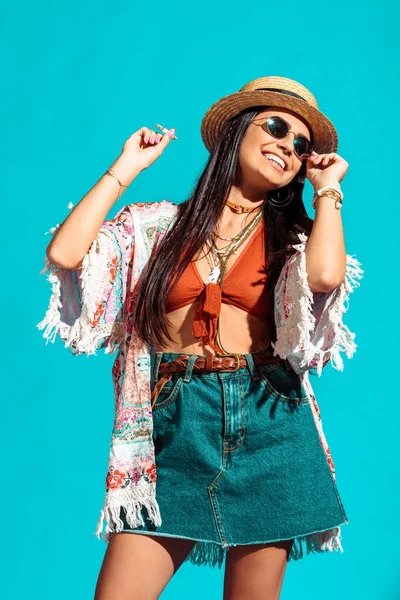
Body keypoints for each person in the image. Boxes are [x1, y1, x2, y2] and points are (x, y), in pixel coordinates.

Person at [38, 76, 363, 600]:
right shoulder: (158, 227)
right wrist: (126, 169)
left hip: (268, 417)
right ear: (238, 131)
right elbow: (65, 255)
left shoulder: (293, 236)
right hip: (174, 415)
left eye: (301, 145)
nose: (288, 146)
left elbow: (325, 278)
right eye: (276, 127)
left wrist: (328, 190)